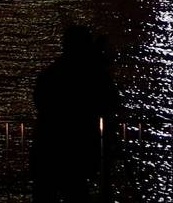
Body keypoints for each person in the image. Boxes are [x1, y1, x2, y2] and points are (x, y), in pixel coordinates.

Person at [32, 25, 118, 202]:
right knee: (76, 193)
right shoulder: (93, 76)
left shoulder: (51, 74)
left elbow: (40, 102)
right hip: (79, 150)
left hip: (48, 148)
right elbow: (110, 103)